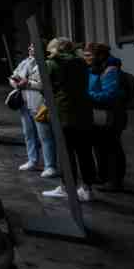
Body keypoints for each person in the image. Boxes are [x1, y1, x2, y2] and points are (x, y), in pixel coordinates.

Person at [42, 38, 96, 202]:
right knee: (85, 152)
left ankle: (67, 187)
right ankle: (87, 189)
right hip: (84, 113)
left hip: (63, 113)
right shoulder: (81, 62)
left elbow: (47, 87)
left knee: (66, 153)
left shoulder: (52, 64)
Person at [9, 43, 58, 178]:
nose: (30, 49)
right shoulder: (25, 62)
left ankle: (50, 166)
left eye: (33, 47)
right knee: (29, 134)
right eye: (29, 47)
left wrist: (27, 83)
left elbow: (43, 84)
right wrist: (15, 83)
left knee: (45, 136)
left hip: (39, 103)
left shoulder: (45, 64)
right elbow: (13, 75)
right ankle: (33, 160)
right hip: (25, 102)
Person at [86, 42, 128, 191]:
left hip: (112, 114)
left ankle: (115, 181)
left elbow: (109, 95)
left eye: (89, 55)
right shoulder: (94, 69)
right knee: (99, 146)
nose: (87, 58)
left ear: (101, 56)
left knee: (112, 147)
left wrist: (87, 96)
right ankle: (103, 176)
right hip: (99, 114)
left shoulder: (110, 71)